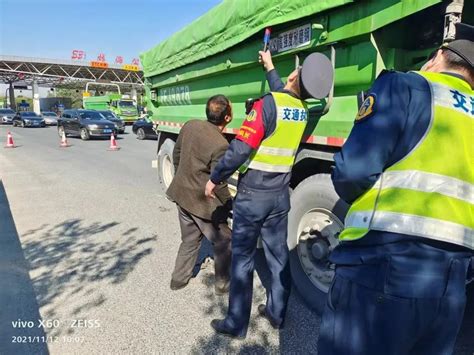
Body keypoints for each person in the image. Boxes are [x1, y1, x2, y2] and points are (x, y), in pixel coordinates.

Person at [318, 23, 474, 355]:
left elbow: (351, 172)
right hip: (452, 282)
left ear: (437, 57)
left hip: (382, 266)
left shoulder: (406, 86)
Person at [205, 50, 333, 338]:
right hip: (280, 196)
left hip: (253, 196)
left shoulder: (267, 106)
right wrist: (270, 68)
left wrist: (215, 178)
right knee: (278, 257)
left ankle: (236, 324)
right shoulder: (300, 110)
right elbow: (283, 98)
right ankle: (276, 313)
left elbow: (240, 148)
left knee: (243, 258)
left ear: (294, 76)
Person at [167, 94, 233, 296]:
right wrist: (230, 204)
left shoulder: (190, 125)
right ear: (228, 117)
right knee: (224, 240)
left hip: (181, 195)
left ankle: (178, 280)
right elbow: (218, 181)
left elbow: (176, 155)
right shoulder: (221, 144)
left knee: (190, 238)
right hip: (201, 204)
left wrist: (181, 179)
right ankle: (222, 284)